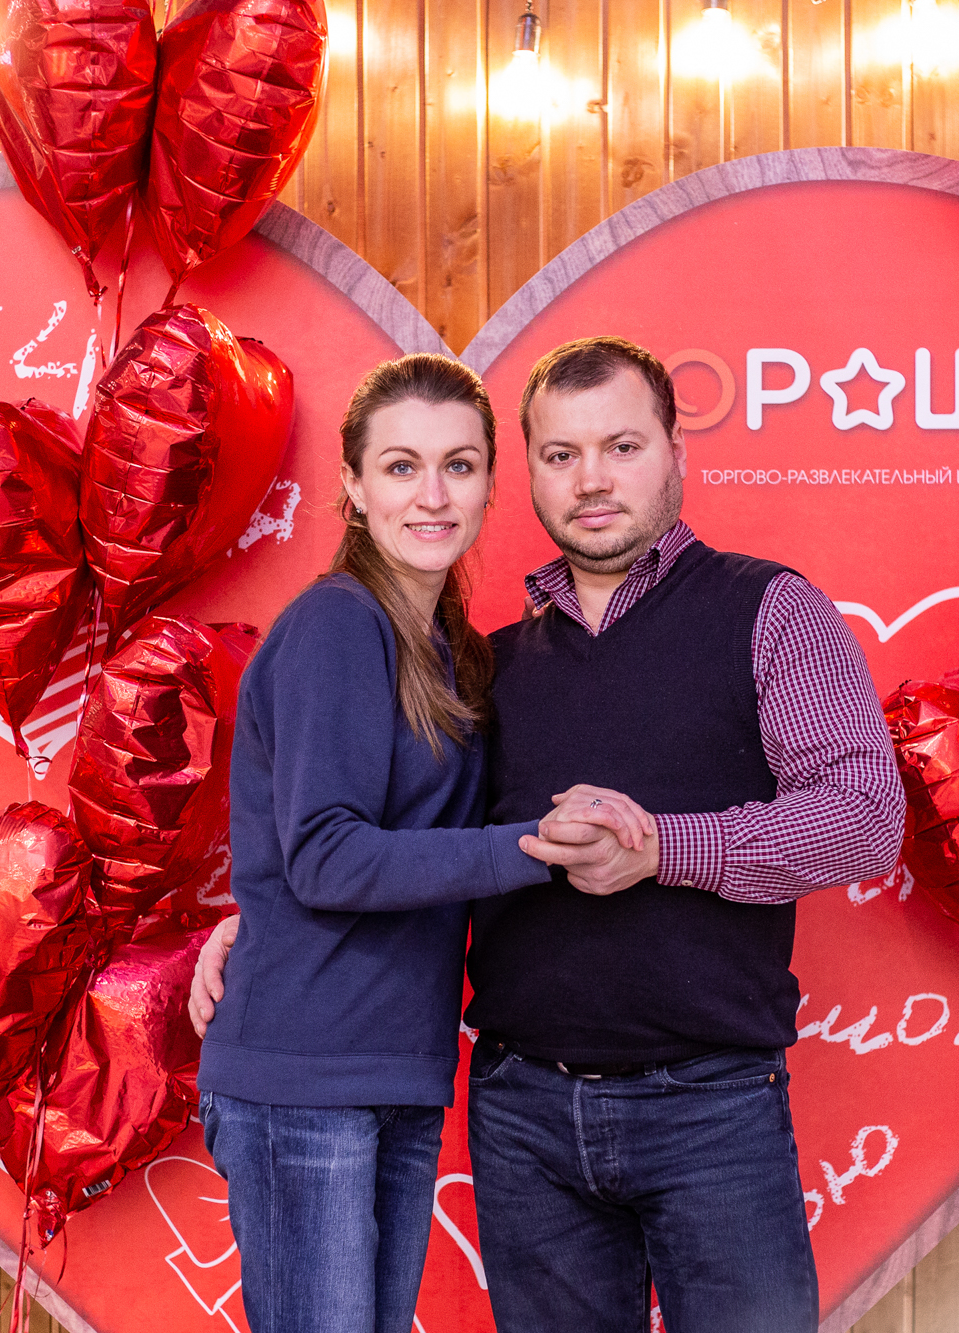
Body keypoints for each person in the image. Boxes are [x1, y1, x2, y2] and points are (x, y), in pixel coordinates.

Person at [194, 337, 903, 1333]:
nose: (592, 478)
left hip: (710, 1106)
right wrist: (263, 921)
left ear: (676, 453)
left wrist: (663, 847)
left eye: (622, 446)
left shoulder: (765, 611)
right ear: (526, 475)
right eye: (562, 454)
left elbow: (865, 818)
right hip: (523, 1110)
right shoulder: (490, 664)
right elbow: (376, 843)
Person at [193, 352, 656, 1333]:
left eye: (459, 465)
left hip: (395, 1069)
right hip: (306, 1072)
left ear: (490, 483)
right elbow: (325, 856)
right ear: (354, 487)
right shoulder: (336, 623)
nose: (433, 495)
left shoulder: (446, 648)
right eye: (401, 466)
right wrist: (533, 847)